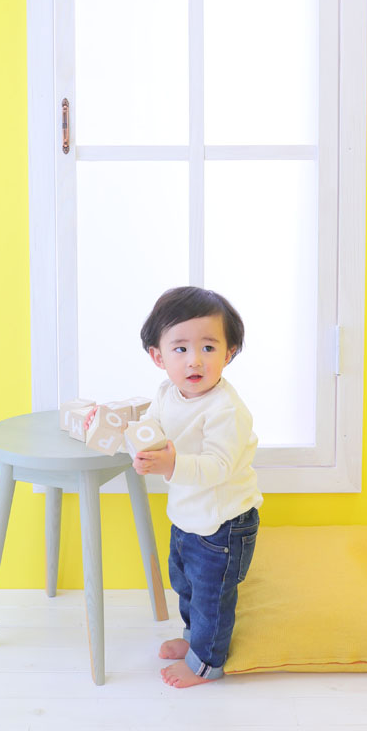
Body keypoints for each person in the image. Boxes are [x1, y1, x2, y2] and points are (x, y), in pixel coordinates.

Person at [134, 285, 262, 688]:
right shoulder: (166, 393)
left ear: (230, 353)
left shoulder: (226, 409)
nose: (195, 360)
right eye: (181, 348)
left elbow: (218, 466)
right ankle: (194, 638)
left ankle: (207, 663)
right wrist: (131, 436)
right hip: (188, 515)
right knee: (186, 585)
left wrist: (171, 464)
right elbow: (152, 427)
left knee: (212, 597)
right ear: (158, 356)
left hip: (225, 524)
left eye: (208, 347)